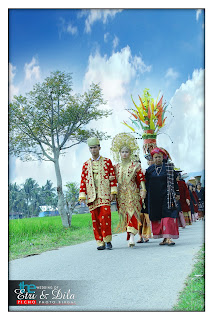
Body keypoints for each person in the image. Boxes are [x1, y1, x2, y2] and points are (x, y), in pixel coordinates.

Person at [79, 137, 117, 250]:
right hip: (92, 195)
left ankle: (108, 240)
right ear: (89, 149)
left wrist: (113, 191)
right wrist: (82, 195)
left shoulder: (107, 161)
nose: (93, 150)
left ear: (99, 148)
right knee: (95, 219)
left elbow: (112, 177)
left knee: (105, 217)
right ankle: (100, 242)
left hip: (104, 193)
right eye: (91, 148)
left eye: (95, 147)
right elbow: (83, 180)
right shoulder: (86, 164)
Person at [110, 133, 146, 247]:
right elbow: (113, 180)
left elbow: (141, 178)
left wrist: (143, 190)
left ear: (130, 153)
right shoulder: (116, 167)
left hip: (133, 192)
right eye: (122, 152)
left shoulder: (135, 165)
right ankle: (130, 234)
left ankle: (131, 237)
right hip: (121, 194)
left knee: (132, 213)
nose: (124, 154)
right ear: (119, 153)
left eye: (126, 151)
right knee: (126, 214)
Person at [145, 147, 180, 245]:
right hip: (154, 197)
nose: (157, 159)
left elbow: (174, 182)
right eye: (155, 157)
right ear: (152, 158)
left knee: (168, 216)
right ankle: (164, 238)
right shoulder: (149, 170)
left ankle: (168, 237)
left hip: (167, 195)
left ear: (163, 157)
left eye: (159, 157)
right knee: (158, 217)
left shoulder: (168, 168)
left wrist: (177, 193)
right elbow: (146, 184)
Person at [137, 156, 153, 243]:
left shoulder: (145, 172)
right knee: (139, 217)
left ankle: (146, 235)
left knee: (146, 216)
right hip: (135, 196)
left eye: (138, 162)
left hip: (146, 195)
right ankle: (140, 236)